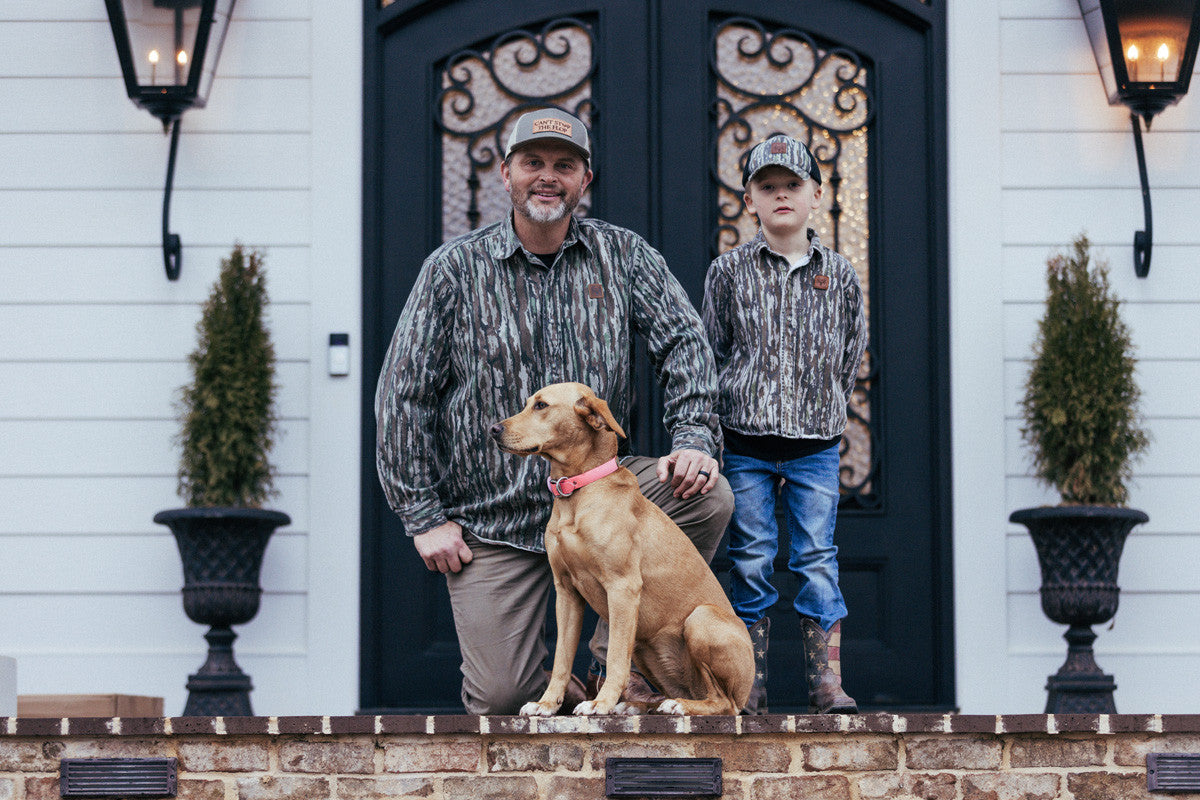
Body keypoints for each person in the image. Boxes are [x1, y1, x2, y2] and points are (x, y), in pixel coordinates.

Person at [375, 108, 733, 715]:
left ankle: (615, 661)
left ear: (584, 180)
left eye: (564, 165)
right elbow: (404, 392)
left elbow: (684, 342)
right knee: (501, 696)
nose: (548, 176)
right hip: (494, 517)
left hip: (601, 493)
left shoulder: (623, 256)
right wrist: (422, 515)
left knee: (707, 494)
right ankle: (560, 685)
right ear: (506, 174)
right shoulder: (453, 270)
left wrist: (694, 436)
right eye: (532, 162)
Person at [701, 134, 867, 714]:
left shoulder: (839, 274)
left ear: (816, 194)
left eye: (793, 185)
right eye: (767, 186)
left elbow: (849, 354)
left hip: (815, 447)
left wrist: (822, 407)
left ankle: (826, 682)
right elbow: (714, 350)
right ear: (749, 200)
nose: (781, 195)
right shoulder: (728, 272)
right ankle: (750, 682)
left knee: (816, 558)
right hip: (745, 444)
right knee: (751, 558)